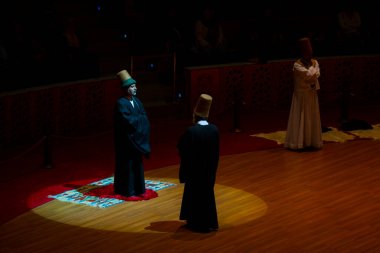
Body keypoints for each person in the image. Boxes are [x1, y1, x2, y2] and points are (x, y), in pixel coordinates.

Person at [177, 93, 220, 233]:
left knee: (194, 196)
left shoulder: (192, 131)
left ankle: (196, 222)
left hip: (195, 173)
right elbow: (216, 154)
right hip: (209, 172)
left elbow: (182, 149)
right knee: (207, 195)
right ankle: (210, 222)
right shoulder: (214, 130)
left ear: (196, 115)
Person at [113, 69, 151, 199]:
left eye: (135, 86)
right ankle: (127, 190)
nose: (135, 88)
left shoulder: (137, 101)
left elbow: (144, 117)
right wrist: (139, 120)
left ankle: (139, 188)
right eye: (132, 86)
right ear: (126, 88)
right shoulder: (121, 103)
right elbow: (127, 121)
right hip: (126, 141)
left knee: (137, 164)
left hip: (136, 139)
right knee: (127, 165)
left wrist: (139, 121)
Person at [284, 38, 323, 151]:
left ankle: (312, 141)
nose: (309, 53)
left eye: (310, 50)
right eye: (307, 51)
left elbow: (316, 74)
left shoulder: (315, 62)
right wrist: (313, 73)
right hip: (301, 95)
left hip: (311, 94)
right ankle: (300, 142)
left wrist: (312, 74)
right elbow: (308, 75)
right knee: (301, 116)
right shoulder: (297, 65)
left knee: (312, 116)